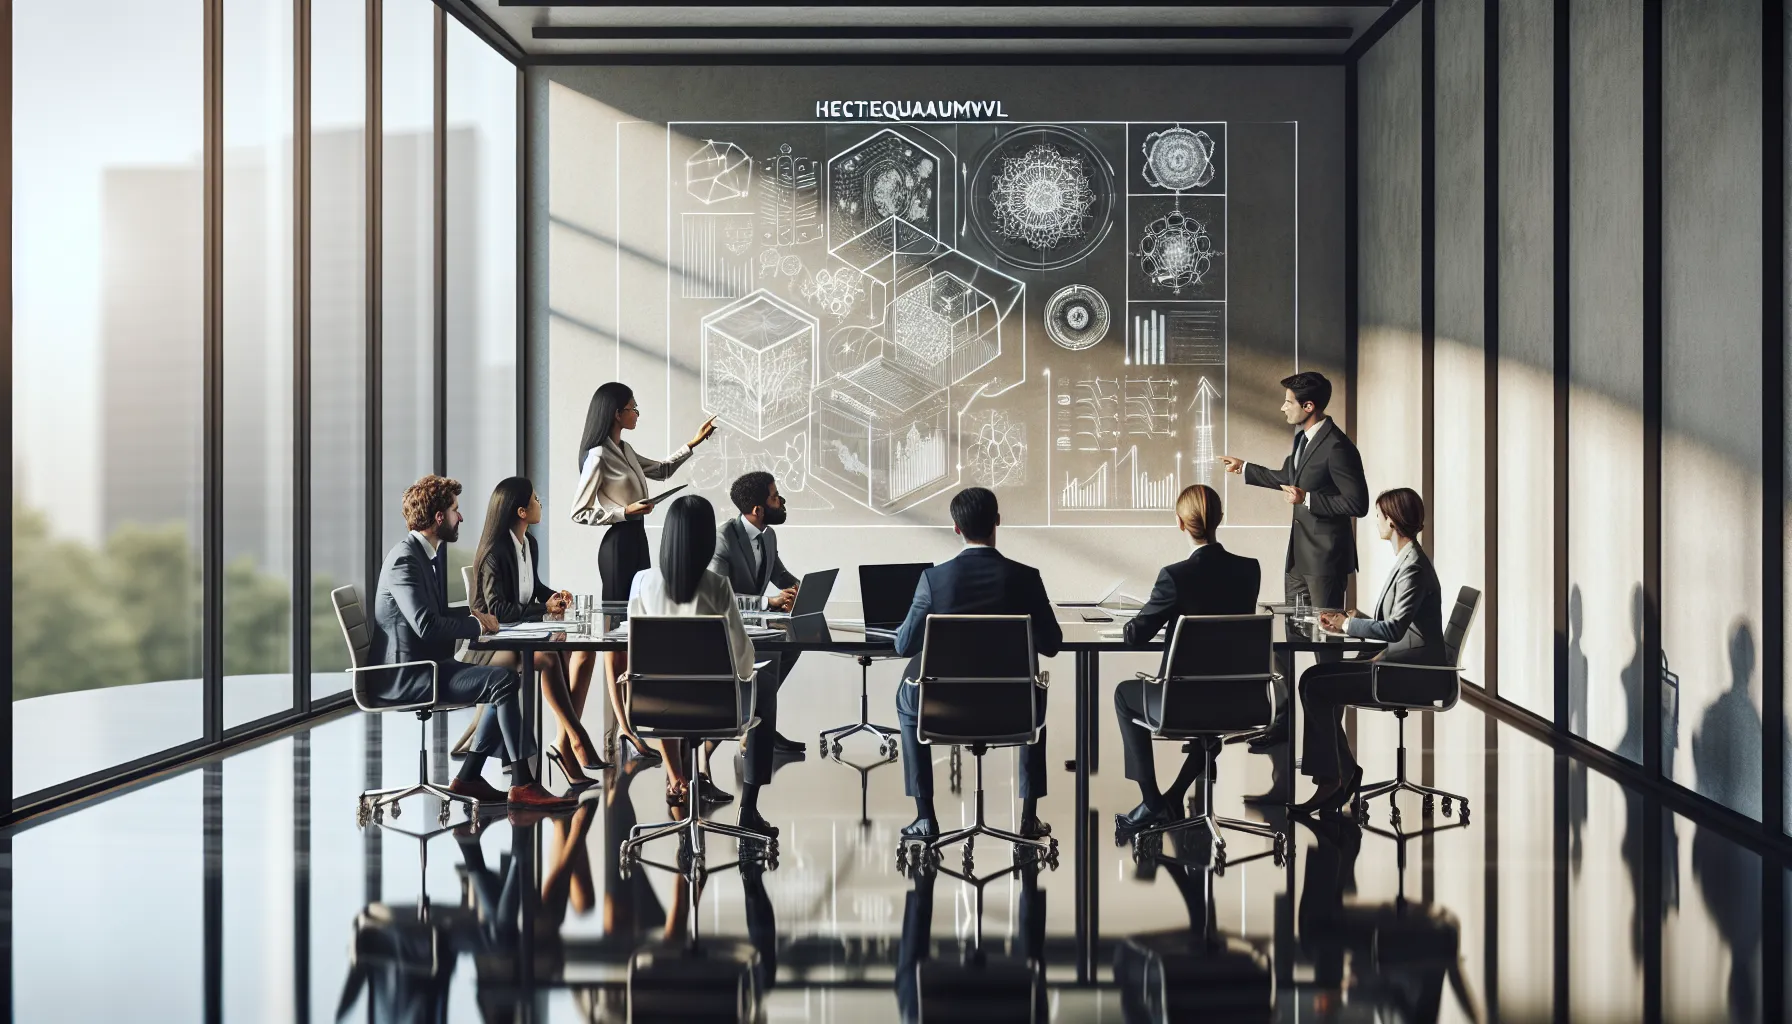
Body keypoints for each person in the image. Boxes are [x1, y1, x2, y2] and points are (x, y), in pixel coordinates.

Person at [370, 475, 571, 811]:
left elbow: (431, 616)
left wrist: (474, 618)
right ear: (438, 518)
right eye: (455, 510)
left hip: (430, 666)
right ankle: (523, 784)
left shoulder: (423, 556)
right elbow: (426, 625)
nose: (460, 517)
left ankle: (470, 778)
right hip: (410, 676)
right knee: (504, 680)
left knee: (504, 681)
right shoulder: (405, 560)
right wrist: (476, 623)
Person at [1217, 371, 1367, 776]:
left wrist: (1312, 498)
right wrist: (1246, 468)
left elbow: (1358, 503)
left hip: (1325, 564)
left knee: (1325, 657)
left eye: (1288, 402)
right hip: (1298, 559)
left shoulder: (1338, 447)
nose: (1282, 407)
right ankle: (1283, 724)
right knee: (1290, 645)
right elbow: (1289, 480)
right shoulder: (1303, 440)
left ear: (1309, 407)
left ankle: (1330, 753)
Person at [892, 487, 1063, 840]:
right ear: (998, 521)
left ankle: (925, 817)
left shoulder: (933, 581)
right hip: (1014, 712)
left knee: (906, 699)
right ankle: (1029, 817)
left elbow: (904, 645)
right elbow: (1052, 645)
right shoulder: (1026, 578)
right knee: (1034, 693)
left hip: (944, 711)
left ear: (956, 528)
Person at [570, 381, 717, 763]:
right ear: (617, 412)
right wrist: (624, 512)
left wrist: (693, 444)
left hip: (637, 542)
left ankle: (629, 722)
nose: (637, 413)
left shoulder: (626, 449)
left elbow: (663, 470)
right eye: (633, 408)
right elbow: (579, 511)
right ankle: (625, 726)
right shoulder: (598, 455)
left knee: (636, 630)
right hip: (617, 545)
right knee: (617, 636)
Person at [626, 494, 781, 838]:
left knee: (661, 682)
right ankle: (749, 809)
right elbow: (744, 662)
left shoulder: (641, 583)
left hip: (654, 707)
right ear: (707, 539)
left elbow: (637, 651)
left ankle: (677, 775)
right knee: (765, 685)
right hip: (714, 709)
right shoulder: (717, 586)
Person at [1113, 484, 1262, 838]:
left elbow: (1137, 636)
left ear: (1181, 524)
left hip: (1179, 703)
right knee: (1209, 713)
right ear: (1220, 518)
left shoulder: (1175, 577)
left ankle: (1151, 800)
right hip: (1238, 700)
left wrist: (1134, 620)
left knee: (1123, 695)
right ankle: (1174, 795)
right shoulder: (1249, 571)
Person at [1291, 487, 1446, 816]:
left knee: (1316, 685)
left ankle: (1333, 781)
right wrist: (1351, 619)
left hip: (1410, 675)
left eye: (1378, 515)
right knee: (1312, 679)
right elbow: (1391, 622)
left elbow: (1393, 630)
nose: (1375, 520)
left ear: (1391, 521)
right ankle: (1343, 772)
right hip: (1396, 663)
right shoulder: (1407, 560)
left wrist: (1348, 627)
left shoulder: (1413, 567)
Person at [454, 476, 610, 786]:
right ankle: (575, 737)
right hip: (489, 645)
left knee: (578, 651)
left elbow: (533, 588)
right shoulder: (495, 553)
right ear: (521, 512)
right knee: (550, 658)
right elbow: (497, 610)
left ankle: (564, 742)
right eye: (536, 500)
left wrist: (553, 597)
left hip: (519, 637)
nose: (541, 504)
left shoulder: (529, 544)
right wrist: (543, 610)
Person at [710, 470, 806, 756]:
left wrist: (798, 588)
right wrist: (769, 603)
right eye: (776, 497)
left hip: (757, 628)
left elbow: (779, 572)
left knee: (792, 647)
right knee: (772, 659)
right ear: (758, 509)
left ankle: (759, 724)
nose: (782, 501)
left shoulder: (768, 535)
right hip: (727, 630)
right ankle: (754, 727)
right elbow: (719, 598)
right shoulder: (723, 538)